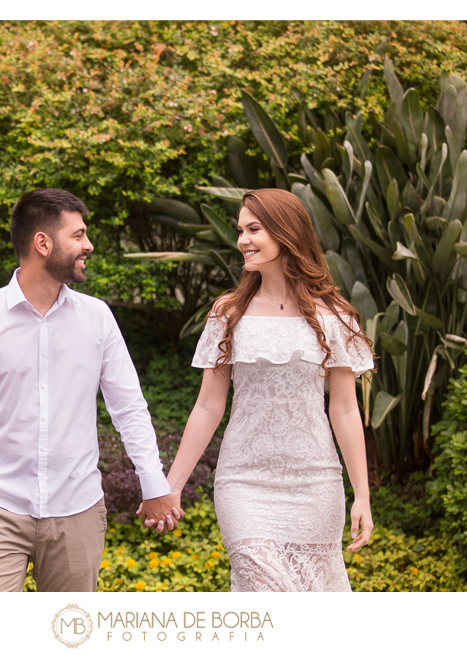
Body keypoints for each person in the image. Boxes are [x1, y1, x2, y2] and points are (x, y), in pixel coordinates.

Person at [0, 188, 182, 592]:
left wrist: (154, 484)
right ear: (43, 243)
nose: (89, 245)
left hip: (78, 510)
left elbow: (129, 408)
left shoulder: (97, 318)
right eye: (78, 235)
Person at [144, 188, 374, 591]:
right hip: (244, 482)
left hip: (315, 483)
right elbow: (207, 407)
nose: (242, 241)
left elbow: (344, 410)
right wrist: (172, 485)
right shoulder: (228, 313)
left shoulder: (334, 316)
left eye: (253, 229)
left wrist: (363, 495)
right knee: (262, 586)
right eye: (240, 230)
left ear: (287, 233)